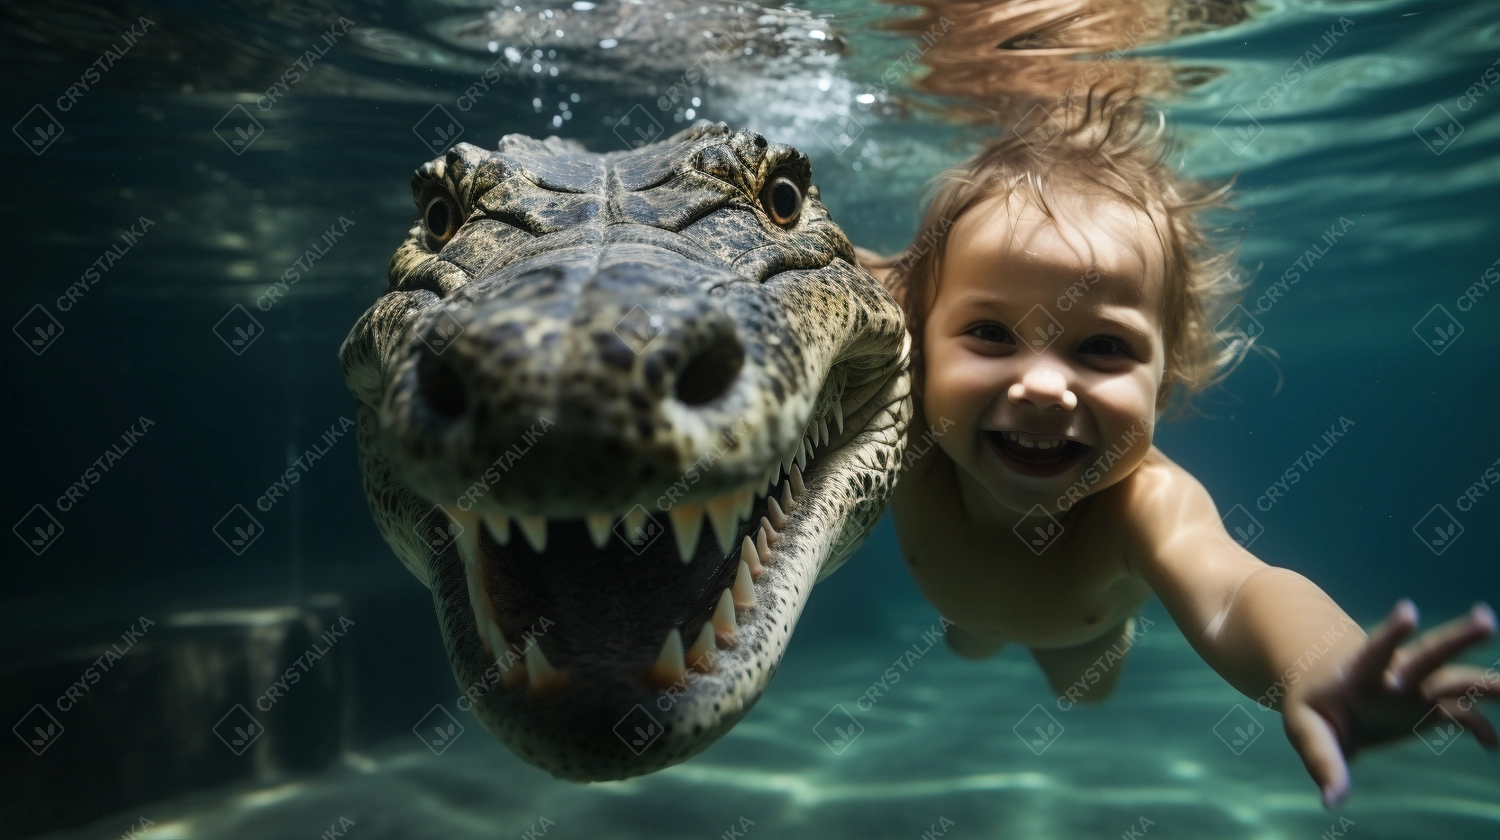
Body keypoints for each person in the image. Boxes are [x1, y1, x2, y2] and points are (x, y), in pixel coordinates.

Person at [861, 101, 1496, 807]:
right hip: (963, 613)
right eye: (989, 332)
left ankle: (1086, 644)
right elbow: (830, 269)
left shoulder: (1147, 507)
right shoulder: (905, 421)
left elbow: (1237, 593)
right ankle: (979, 631)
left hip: (1084, 636)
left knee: (1084, 689)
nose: (1041, 387)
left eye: (1102, 347)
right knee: (969, 639)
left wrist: (1322, 664)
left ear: (1166, 384)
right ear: (916, 343)